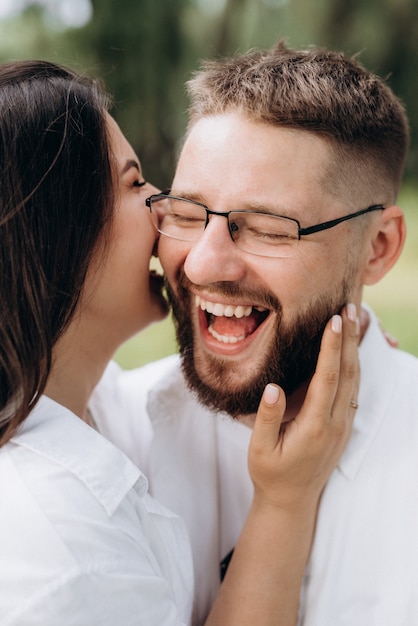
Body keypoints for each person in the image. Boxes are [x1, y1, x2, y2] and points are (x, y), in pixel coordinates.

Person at [0, 59, 360, 626]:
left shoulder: (84, 408)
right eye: (134, 182)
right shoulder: (66, 558)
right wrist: (284, 500)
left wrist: (321, 314)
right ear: (58, 235)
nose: (163, 205)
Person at [91, 41, 418, 625]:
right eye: (187, 215)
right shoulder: (109, 431)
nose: (202, 265)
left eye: (267, 228)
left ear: (379, 248)